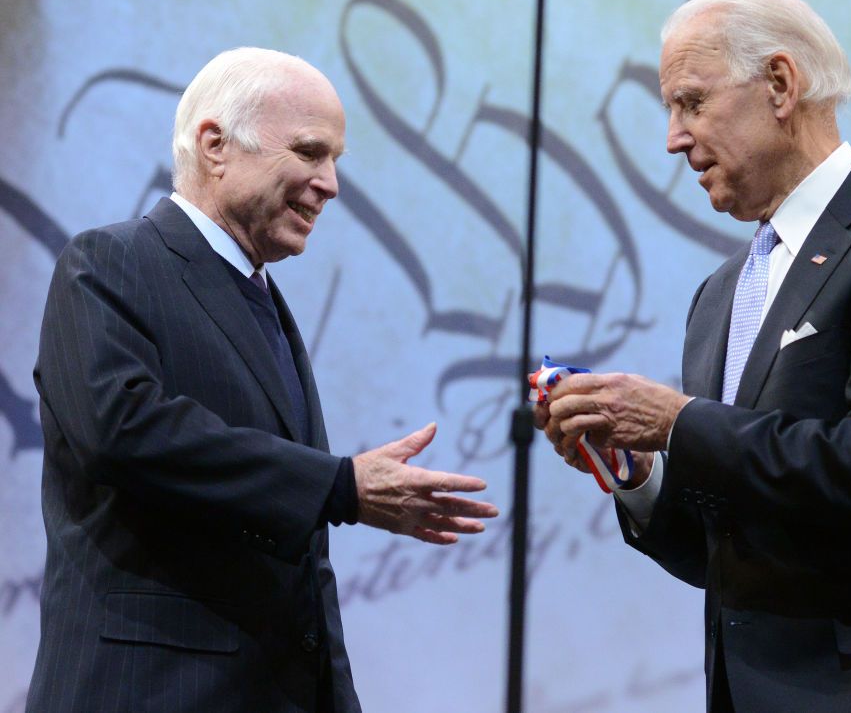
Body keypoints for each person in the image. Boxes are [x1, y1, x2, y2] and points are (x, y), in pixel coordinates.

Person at [536, 0, 851, 712]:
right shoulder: (719, 296)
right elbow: (732, 549)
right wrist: (641, 476)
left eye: (691, 102)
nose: (673, 137)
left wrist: (678, 423)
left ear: (781, 84)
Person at [28, 47, 499, 713]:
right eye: (309, 152)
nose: (331, 184)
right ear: (215, 145)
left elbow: (303, 561)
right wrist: (339, 484)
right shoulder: (110, 262)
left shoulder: (265, 301)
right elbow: (122, 430)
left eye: (334, 159)